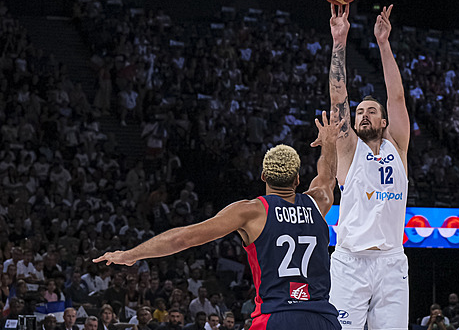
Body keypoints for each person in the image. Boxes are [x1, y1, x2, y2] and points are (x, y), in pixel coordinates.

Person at [93, 112, 342, 330]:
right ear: (297, 180)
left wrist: (132, 254)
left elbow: (184, 237)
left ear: (263, 175)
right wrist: (329, 142)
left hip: (276, 316)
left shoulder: (251, 211)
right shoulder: (318, 202)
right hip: (323, 318)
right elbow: (328, 176)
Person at [328, 3, 409, 330]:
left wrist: (384, 43)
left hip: (391, 264)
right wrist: (339, 41)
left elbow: (398, 97)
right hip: (350, 263)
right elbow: (338, 98)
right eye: (360, 110)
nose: (363, 114)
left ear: (384, 120)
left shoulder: (397, 146)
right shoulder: (349, 151)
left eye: (371, 110)